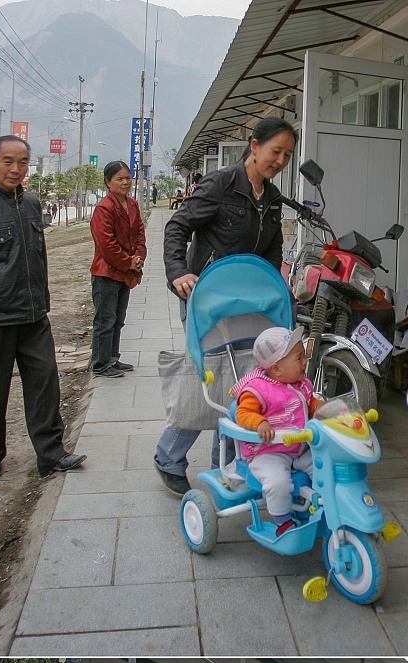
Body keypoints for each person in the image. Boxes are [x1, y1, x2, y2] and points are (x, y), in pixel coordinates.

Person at [154, 116, 296, 494]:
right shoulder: (219, 184)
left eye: (287, 156)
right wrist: (178, 272)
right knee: (209, 377)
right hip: (208, 299)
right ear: (254, 146)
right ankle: (169, 456)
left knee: (245, 383)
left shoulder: (273, 198)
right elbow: (177, 227)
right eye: (275, 152)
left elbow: (273, 250)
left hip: (250, 304)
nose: (280, 161)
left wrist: (279, 286)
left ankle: (230, 461)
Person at [0, 134, 86, 482]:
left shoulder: (31, 205)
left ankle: (51, 454)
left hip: (34, 317)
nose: (15, 169)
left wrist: (42, 303)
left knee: (45, 384)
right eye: (7, 161)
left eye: (22, 162)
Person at [232, 326, 323, 537]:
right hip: (269, 451)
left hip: (300, 448)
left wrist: (319, 408)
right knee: (277, 482)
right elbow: (242, 413)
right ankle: (283, 521)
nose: (305, 362)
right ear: (276, 369)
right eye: (299, 358)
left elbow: (308, 402)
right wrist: (259, 422)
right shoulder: (258, 389)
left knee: (326, 467)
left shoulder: (301, 384)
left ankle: (325, 504)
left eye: (304, 356)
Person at [88, 160, 144, 379]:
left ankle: (113, 358)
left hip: (125, 272)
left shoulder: (132, 204)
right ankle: (100, 363)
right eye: (119, 179)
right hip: (106, 273)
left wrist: (138, 257)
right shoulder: (104, 208)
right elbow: (106, 244)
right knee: (105, 321)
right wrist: (127, 261)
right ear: (108, 182)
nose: (125, 183)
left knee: (118, 319)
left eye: (127, 178)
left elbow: (140, 232)